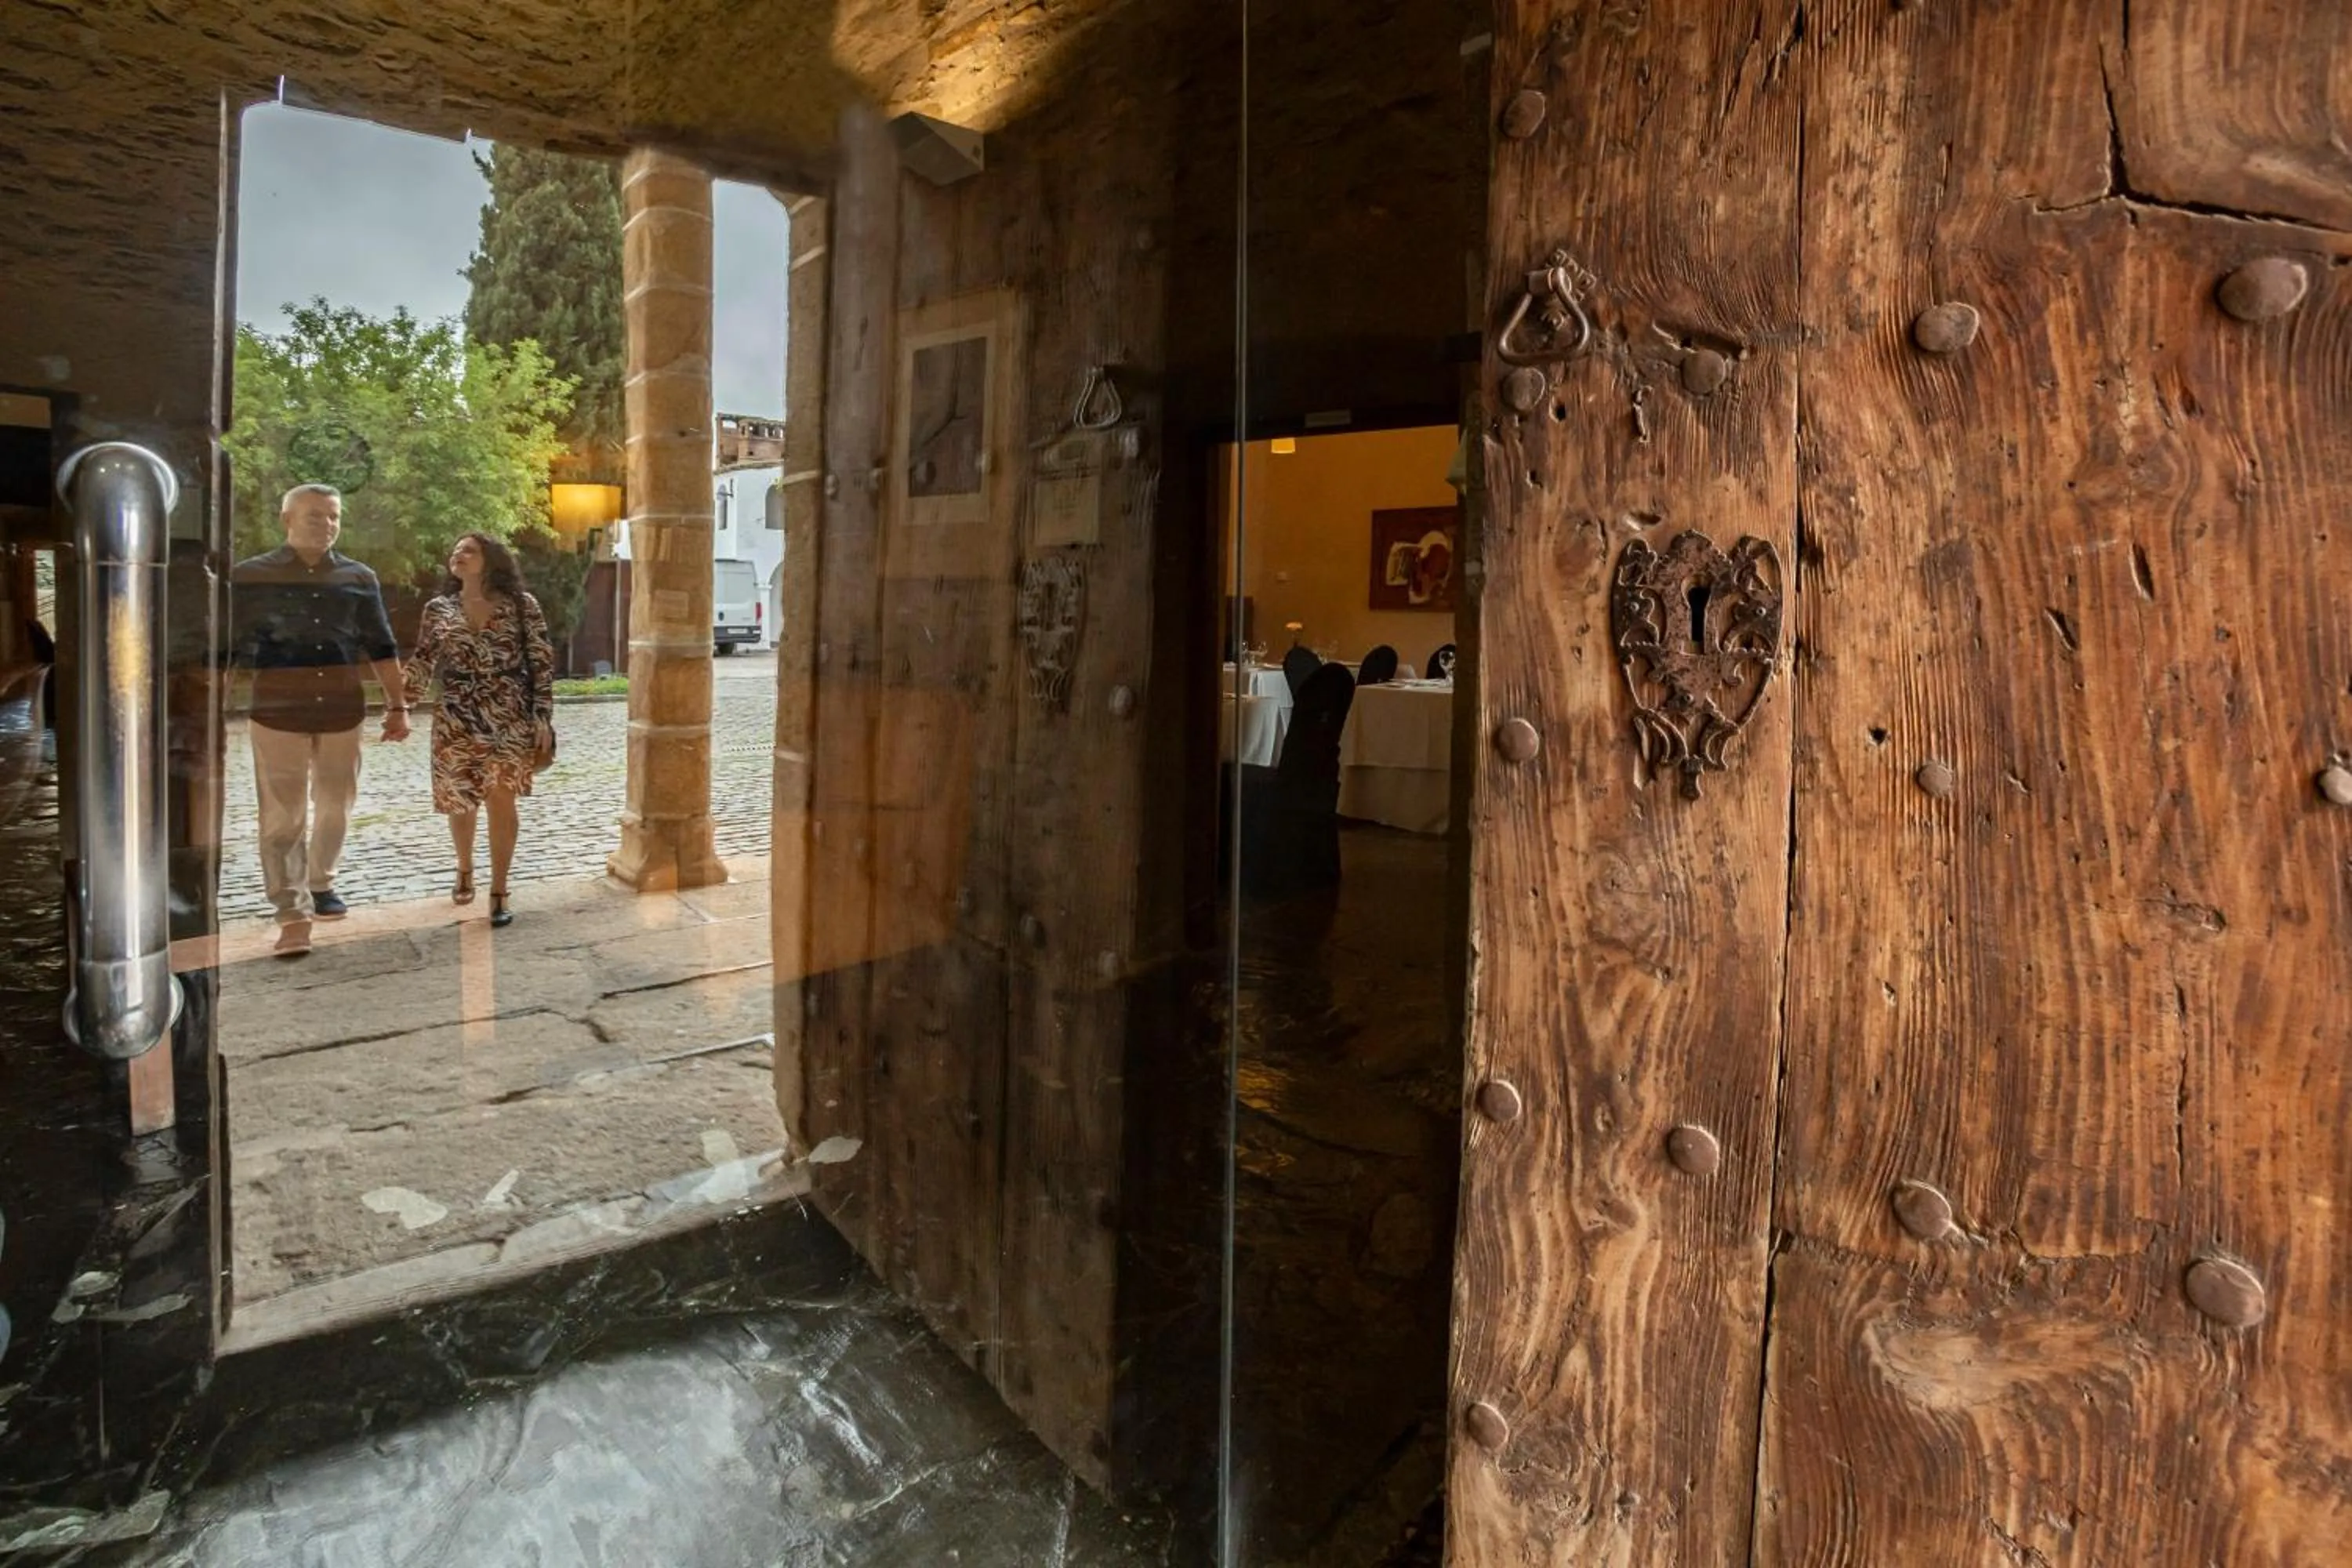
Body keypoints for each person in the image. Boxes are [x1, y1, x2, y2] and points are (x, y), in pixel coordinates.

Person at [230, 485, 408, 957]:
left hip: (341, 710)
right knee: (282, 814)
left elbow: (381, 644)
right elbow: (228, 645)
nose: (326, 525)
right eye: (315, 516)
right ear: (286, 519)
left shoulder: (359, 577)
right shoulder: (250, 576)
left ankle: (321, 882)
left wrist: (398, 706)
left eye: (333, 517)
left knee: (335, 805)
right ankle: (291, 910)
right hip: (277, 712)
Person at [403, 532, 554, 930]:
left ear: (491, 560)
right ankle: (465, 866)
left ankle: (499, 889)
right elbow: (423, 660)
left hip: (508, 713)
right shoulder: (439, 608)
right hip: (456, 713)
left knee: (502, 799)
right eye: (456, 550)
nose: (459, 555)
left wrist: (542, 716)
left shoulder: (522, 605)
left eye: (469, 550)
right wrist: (399, 706)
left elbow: (541, 662)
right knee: (461, 799)